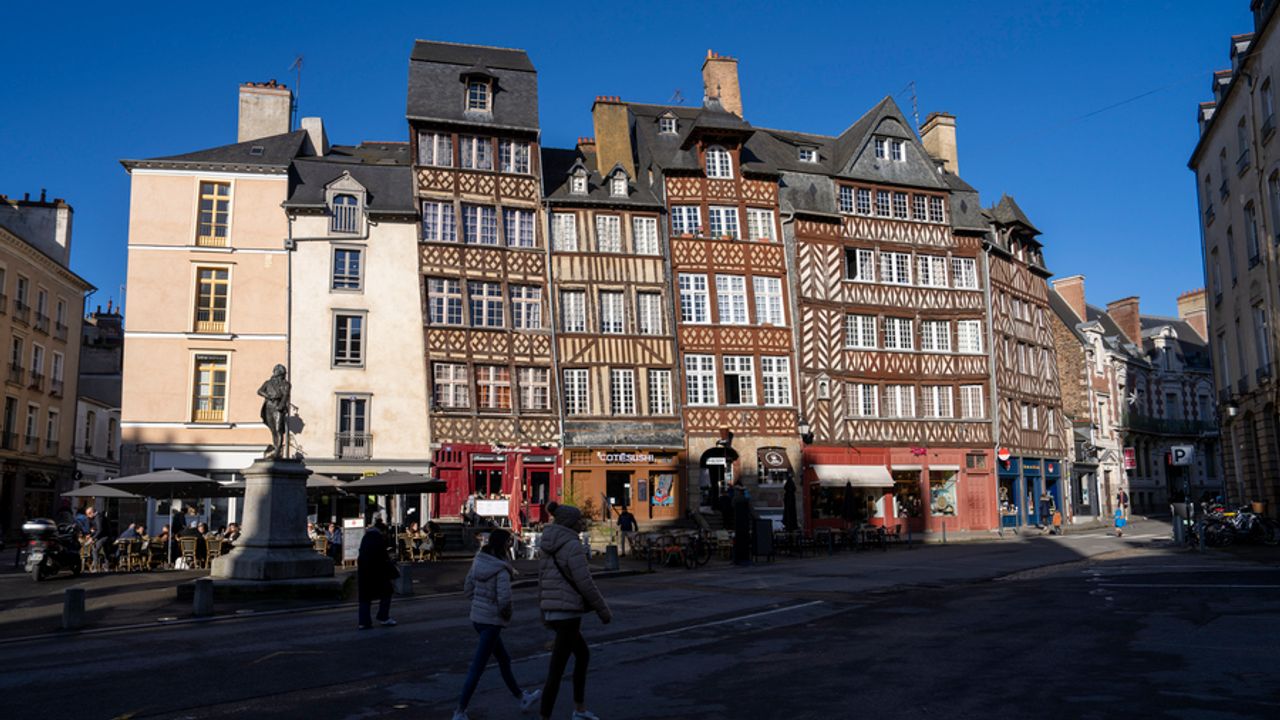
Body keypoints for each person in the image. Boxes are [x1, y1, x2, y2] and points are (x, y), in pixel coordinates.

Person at [452, 529, 541, 720]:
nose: (511, 545)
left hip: (478, 618)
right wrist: (505, 616)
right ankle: (460, 711)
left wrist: (479, 603)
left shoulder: (479, 561)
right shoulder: (501, 569)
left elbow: (468, 589)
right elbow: (504, 600)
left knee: (504, 659)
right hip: (491, 621)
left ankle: (521, 696)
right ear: (502, 545)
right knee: (477, 667)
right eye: (509, 542)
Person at [537, 504, 611, 720]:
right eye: (578, 520)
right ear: (570, 523)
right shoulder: (572, 545)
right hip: (568, 612)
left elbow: (541, 582)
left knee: (582, 655)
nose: (581, 524)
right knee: (556, 670)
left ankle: (579, 708)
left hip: (553, 610)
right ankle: (547, 715)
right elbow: (585, 582)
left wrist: (543, 612)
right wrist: (602, 610)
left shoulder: (546, 545)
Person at [357, 519, 398, 629]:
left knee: (365, 598)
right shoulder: (378, 538)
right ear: (382, 531)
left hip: (364, 571)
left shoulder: (366, 537)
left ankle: (364, 622)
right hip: (377, 572)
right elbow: (382, 557)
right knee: (387, 592)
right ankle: (383, 616)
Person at [731, 480, 752, 566]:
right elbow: (749, 505)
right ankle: (743, 558)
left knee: (738, 542)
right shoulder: (744, 498)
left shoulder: (736, 499)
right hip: (744, 523)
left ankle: (737, 559)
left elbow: (732, 505)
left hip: (738, 523)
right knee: (743, 542)